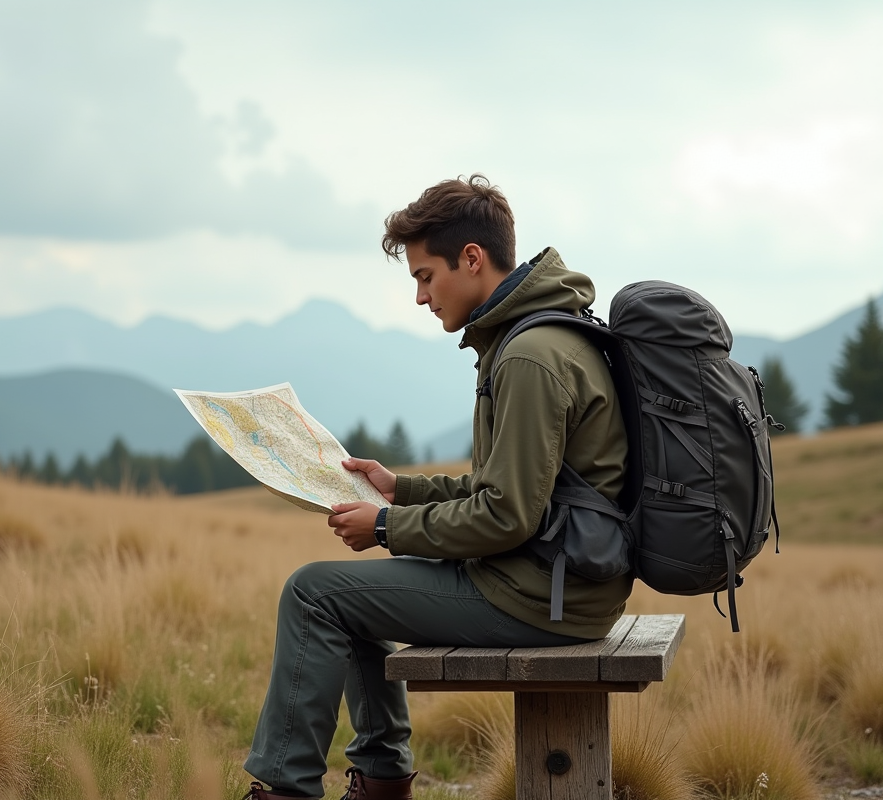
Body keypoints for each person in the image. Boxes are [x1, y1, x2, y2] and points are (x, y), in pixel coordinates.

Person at [242, 174, 631, 800]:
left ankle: (291, 790)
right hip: (557, 583)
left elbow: (507, 516)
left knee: (314, 592)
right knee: (345, 595)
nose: (421, 297)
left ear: (471, 259)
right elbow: (507, 487)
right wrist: (401, 490)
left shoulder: (530, 356)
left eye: (426, 276)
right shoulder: (539, 335)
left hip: (539, 597)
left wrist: (385, 528)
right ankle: (382, 780)